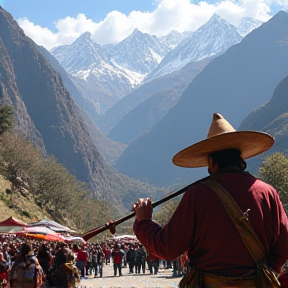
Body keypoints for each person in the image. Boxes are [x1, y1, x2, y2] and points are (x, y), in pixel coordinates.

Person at [133, 113, 288, 287]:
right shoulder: (268, 193)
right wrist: (263, 272)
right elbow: (284, 245)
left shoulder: (198, 195)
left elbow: (168, 248)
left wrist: (144, 222)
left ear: (212, 162)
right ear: (241, 160)